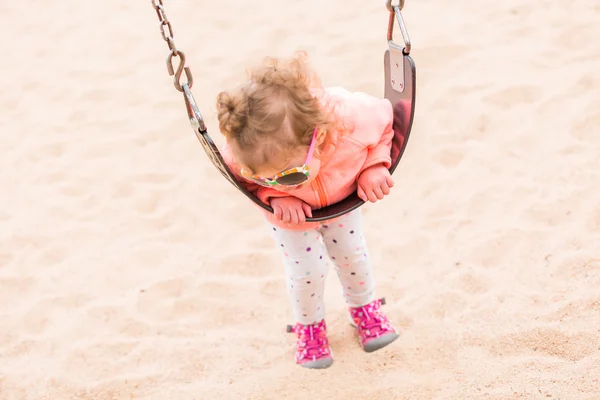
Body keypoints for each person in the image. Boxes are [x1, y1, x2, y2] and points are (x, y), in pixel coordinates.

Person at [216, 52, 399, 369]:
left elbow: (387, 126)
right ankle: (310, 328)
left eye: (290, 176)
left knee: (352, 256)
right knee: (306, 272)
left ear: (320, 136)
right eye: (265, 175)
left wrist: (374, 165)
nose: (280, 183)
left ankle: (364, 309)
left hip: (342, 203)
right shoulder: (246, 148)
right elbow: (243, 179)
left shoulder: (354, 119)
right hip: (291, 219)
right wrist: (273, 194)